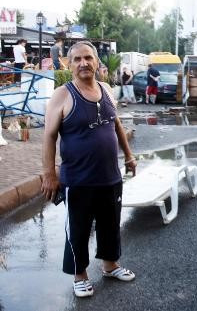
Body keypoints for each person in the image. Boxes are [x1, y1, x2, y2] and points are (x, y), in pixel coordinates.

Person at [41, 41, 138, 298]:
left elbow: (116, 125)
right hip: (78, 179)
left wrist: (129, 156)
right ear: (69, 64)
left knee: (110, 223)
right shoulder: (62, 94)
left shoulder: (106, 89)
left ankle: (109, 265)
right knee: (79, 228)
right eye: (77, 59)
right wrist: (50, 175)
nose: (83, 63)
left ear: (96, 62)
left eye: (88, 58)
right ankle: (80, 275)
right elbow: (49, 137)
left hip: (109, 175)